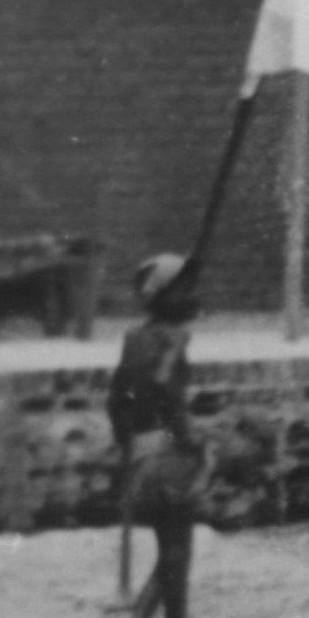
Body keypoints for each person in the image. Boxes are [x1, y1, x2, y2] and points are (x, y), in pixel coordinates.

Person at [106, 251, 201, 593]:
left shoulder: (134, 338)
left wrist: (127, 445)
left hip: (142, 454)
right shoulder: (169, 345)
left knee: (169, 546)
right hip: (168, 456)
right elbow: (169, 398)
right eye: (184, 292)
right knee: (177, 550)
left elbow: (116, 401)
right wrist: (190, 444)